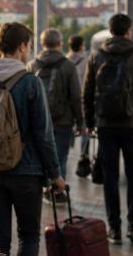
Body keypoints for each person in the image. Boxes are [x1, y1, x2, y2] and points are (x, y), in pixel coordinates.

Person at [0, 22, 64, 256]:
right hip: (26, 172)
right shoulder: (31, 82)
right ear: (21, 46)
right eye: (27, 45)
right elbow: (43, 134)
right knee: (29, 235)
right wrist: (55, 174)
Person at [82, 13, 133, 246]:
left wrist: (89, 122)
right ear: (128, 31)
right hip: (132, 126)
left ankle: (114, 229)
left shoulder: (96, 57)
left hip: (105, 125)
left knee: (111, 178)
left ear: (110, 30)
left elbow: (86, 93)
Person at [27, 28, 83, 201]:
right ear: (60, 44)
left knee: (39, 156)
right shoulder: (68, 66)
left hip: (37, 122)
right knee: (61, 157)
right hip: (63, 120)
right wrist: (80, 122)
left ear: (42, 44)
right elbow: (75, 96)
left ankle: (44, 190)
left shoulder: (32, 65)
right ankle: (58, 192)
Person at [66, 35, 91, 157]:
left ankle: (68, 147)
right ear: (81, 46)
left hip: (67, 102)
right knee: (85, 129)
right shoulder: (86, 61)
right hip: (82, 100)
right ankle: (83, 155)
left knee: (68, 126)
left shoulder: (64, 61)